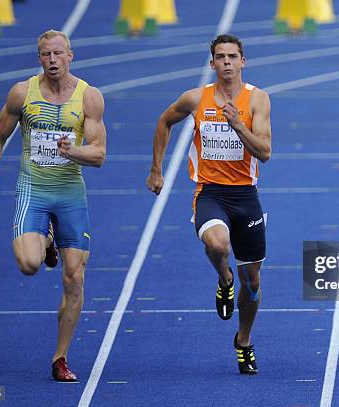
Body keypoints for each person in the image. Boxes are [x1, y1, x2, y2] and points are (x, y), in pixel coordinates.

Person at [0, 29, 106, 381]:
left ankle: (60, 358)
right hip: (33, 190)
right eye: (46, 55)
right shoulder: (22, 93)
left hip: (70, 194)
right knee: (30, 264)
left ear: (70, 56)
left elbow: (100, 154)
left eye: (58, 54)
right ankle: (45, 241)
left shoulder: (88, 97)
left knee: (75, 277)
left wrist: (72, 151)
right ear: (39, 58)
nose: (52, 61)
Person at [146, 34, 272, 374]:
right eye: (221, 57)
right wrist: (156, 169)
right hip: (211, 193)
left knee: (254, 284)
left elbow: (265, 152)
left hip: (246, 196)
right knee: (217, 244)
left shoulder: (257, 100)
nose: (227, 62)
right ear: (212, 63)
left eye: (233, 56)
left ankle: (243, 340)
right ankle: (223, 279)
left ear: (243, 61)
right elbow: (164, 121)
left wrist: (237, 125)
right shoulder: (195, 99)